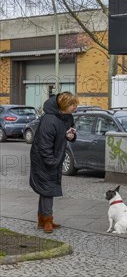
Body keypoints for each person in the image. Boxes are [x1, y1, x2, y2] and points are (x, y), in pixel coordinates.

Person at [29, 92, 79, 233]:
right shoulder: (49, 119)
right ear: (65, 105)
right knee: (47, 189)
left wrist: (71, 135)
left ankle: (42, 219)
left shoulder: (67, 117)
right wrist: (52, 162)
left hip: (55, 157)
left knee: (45, 189)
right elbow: (44, 145)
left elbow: (70, 132)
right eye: (73, 105)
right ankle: (48, 220)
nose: (75, 107)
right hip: (43, 159)